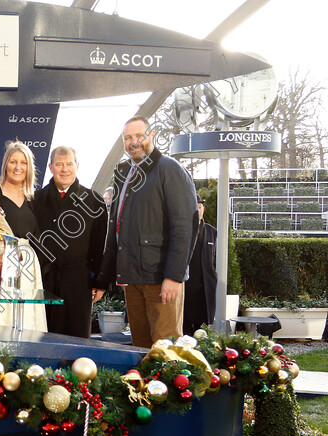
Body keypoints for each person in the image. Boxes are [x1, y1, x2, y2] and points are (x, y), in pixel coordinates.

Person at [97, 116, 199, 348]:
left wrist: (174, 276)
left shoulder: (169, 169)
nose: (134, 142)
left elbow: (185, 226)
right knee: (140, 348)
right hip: (133, 280)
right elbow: (117, 227)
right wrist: (112, 274)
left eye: (139, 136)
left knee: (167, 350)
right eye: (128, 138)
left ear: (151, 135)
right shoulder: (124, 172)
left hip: (161, 279)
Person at [31, 146, 108, 338]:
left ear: (77, 166)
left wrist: (101, 281)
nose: (64, 169)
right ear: (50, 167)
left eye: (69, 164)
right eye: (59, 164)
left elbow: (101, 245)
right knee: (43, 335)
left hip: (79, 281)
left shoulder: (94, 201)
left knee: (77, 336)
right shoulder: (35, 200)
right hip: (43, 281)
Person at [0, 141, 47, 332]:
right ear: (5, 164)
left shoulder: (34, 199)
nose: (18, 167)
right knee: (3, 315)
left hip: (28, 265)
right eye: (13, 162)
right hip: (1, 263)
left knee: (28, 317)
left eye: (23, 163)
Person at [183, 196, 217, 334]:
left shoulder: (212, 231)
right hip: (186, 285)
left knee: (202, 329)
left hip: (204, 287)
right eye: (195, 208)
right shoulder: (182, 231)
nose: (198, 210)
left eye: (200, 207)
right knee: (184, 325)